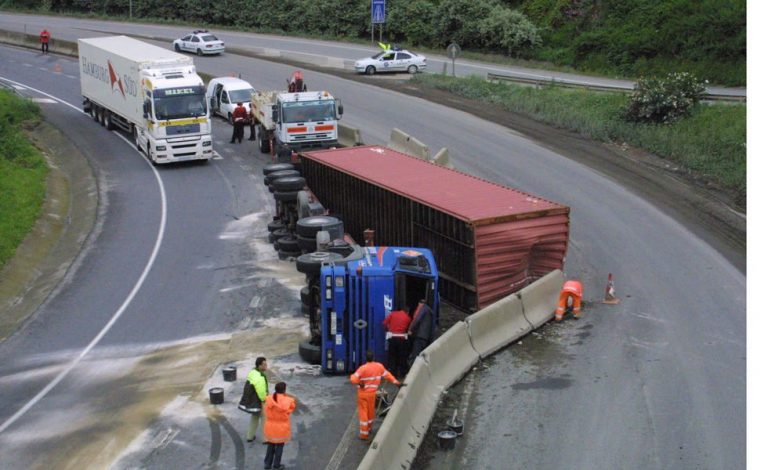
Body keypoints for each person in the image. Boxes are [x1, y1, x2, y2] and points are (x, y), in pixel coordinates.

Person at [349, 350, 400, 440]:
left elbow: (353, 379)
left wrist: (360, 383)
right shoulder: (379, 366)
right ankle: (369, 428)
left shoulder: (362, 368)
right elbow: (387, 375)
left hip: (363, 394)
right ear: (374, 358)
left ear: (366, 358)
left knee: (363, 412)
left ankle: (364, 434)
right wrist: (397, 383)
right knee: (370, 411)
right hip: (372, 394)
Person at [263, 382, 296, 470]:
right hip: (282, 428)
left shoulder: (269, 399)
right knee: (279, 447)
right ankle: (276, 465)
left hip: (270, 426)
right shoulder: (288, 400)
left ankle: (267, 464)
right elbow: (290, 409)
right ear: (284, 390)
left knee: (270, 445)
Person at [238, 357, 269, 443]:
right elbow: (262, 392)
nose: (266, 366)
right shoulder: (260, 377)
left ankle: (250, 436)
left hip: (253, 401)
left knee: (254, 417)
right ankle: (266, 439)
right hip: (259, 401)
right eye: (264, 364)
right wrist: (265, 400)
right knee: (264, 419)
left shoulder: (253, 372)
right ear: (259, 366)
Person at [382, 306, 411, 378]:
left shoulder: (393, 314)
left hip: (392, 338)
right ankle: (402, 373)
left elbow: (384, 323)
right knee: (401, 356)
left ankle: (392, 373)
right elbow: (408, 328)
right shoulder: (408, 318)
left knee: (392, 356)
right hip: (401, 339)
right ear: (407, 312)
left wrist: (388, 329)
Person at [407, 300, 435, 365]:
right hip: (425, 337)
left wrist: (410, 329)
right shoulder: (430, 311)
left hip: (420, 336)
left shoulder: (423, 308)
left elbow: (417, 319)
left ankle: (412, 373)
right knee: (420, 356)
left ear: (420, 303)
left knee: (415, 356)